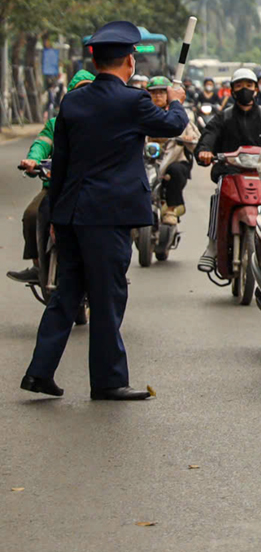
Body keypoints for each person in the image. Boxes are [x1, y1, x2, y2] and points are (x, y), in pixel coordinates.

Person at [20, 21, 189, 400]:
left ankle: (38, 372)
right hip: (107, 216)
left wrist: (57, 213)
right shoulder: (133, 101)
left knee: (66, 295)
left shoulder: (73, 101)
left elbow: (60, 162)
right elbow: (174, 124)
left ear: (94, 61)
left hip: (71, 212)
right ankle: (109, 381)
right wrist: (177, 97)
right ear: (130, 61)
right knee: (108, 297)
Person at [10, 69, 95, 284]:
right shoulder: (56, 124)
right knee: (32, 214)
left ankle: (103, 267)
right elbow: (41, 145)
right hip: (56, 188)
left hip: (92, 188)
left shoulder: (104, 123)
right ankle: (38, 264)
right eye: (79, 91)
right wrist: (32, 160)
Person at [194, 67, 261, 272]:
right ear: (231, 91)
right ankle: (212, 246)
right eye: (239, 86)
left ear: (256, 90)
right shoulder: (224, 117)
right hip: (229, 172)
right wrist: (205, 151)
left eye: (249, 86)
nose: (244, 90)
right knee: (218, 196)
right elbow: (208, 137)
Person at [144, 75, 198, 225]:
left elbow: (194, 137)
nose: (158, 96)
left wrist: (188, 139)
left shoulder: (179, 114)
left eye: (162, 92)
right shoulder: (143, 113)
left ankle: (171, 209)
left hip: (173, 159)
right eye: (154, 93)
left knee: (176, 170)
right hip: (146, 159)